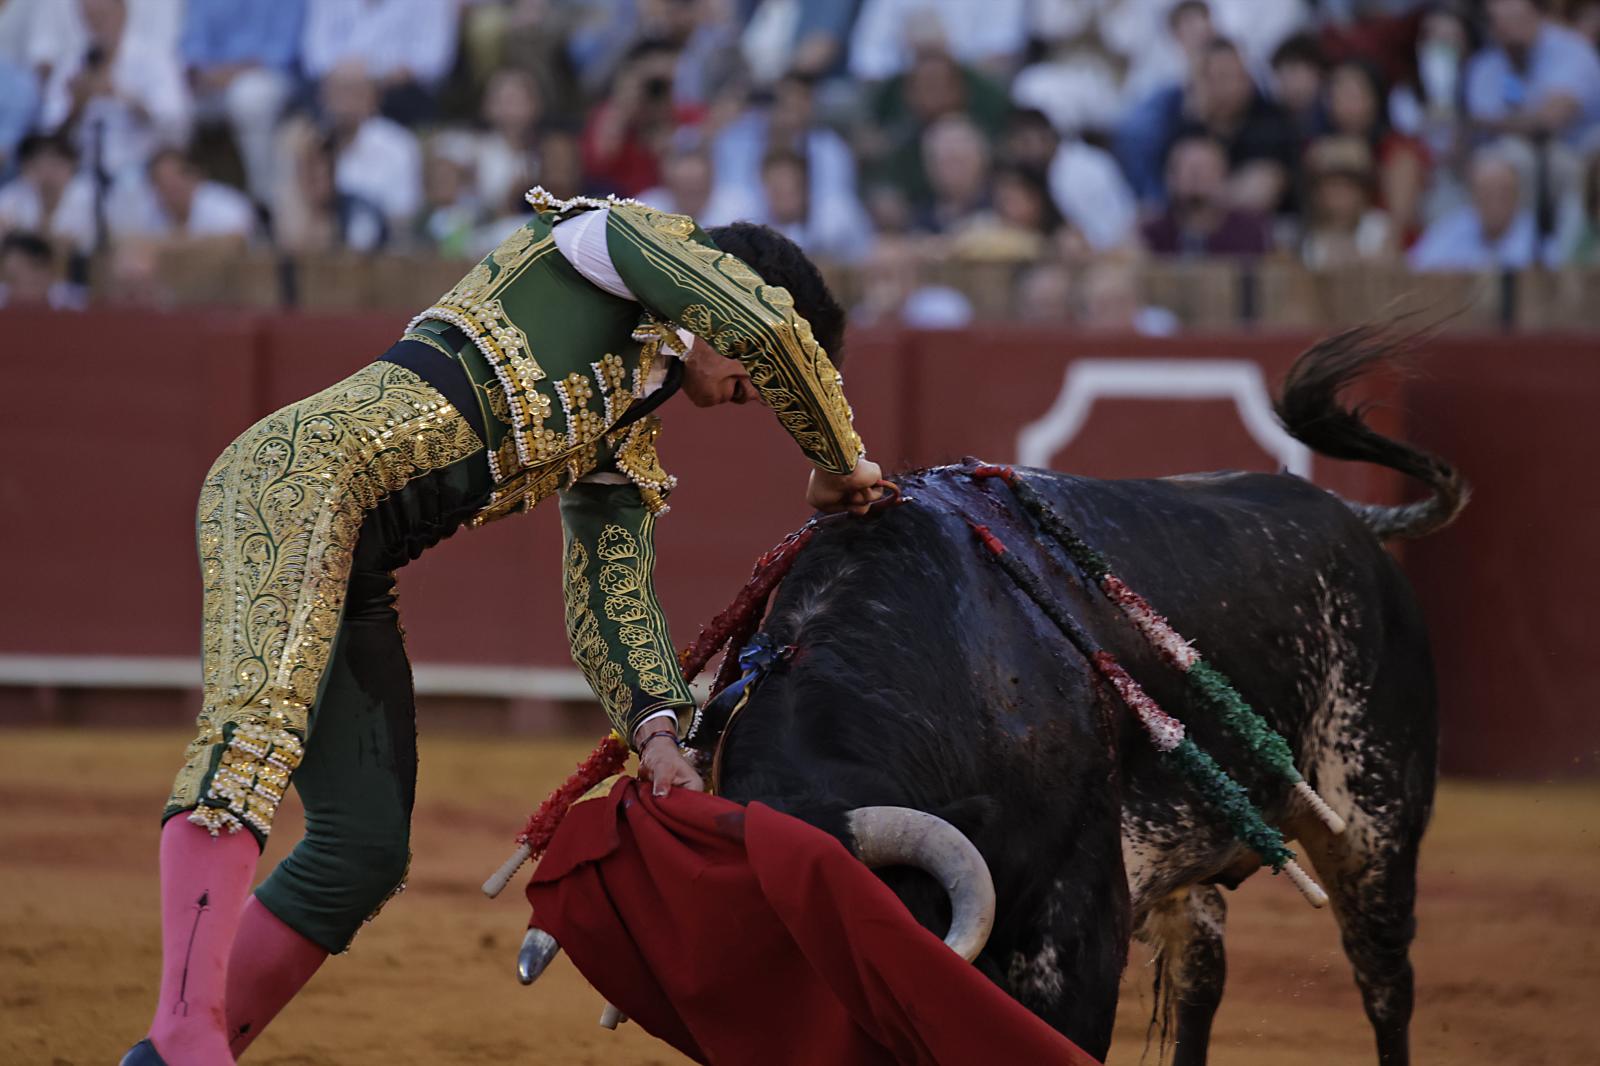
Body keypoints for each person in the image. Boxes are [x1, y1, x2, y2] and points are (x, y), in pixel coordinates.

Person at [121, 191, 885, 1066]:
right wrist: (837, 461)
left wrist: (659, 732)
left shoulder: (629, 426)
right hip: (295, 485)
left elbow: (610, 585)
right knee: (253, 744)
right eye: (762, 370)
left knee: (361, 849)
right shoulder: (608, 239)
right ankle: (187, 1042)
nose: (759, 392)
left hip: (355, 561)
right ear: (723, 293)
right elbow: (766, 326)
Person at [1409, 146, 1549, 269]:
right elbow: (1417, 268)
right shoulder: (1451, 229)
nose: (1495, 202)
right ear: (1473, 197)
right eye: (1486, 193)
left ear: (1517, 196)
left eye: (1503, 193)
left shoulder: (1538, 238)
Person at [1140, 133, 1273, 257]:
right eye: (1189, 169)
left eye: (1206, 169)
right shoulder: (1151, 233)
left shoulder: (1250, 232)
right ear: (1170, 177)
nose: (1197, 177)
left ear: (1224, 175)